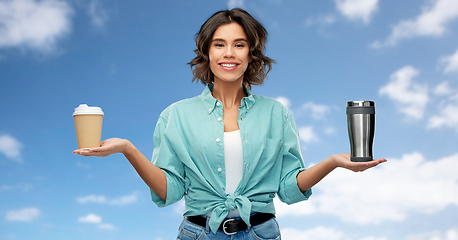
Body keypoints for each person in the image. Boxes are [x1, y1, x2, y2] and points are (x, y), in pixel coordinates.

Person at [73, 8, 386, 239]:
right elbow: (169, 192)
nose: (229, 53)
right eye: (219, 44)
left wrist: (333, 162)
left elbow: (289, 190)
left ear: (252, 52)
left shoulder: (276, 115)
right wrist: (127, 149)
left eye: (239, 44)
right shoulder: (176, 117)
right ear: (206, 52)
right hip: (197, 233)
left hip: (261, 233)